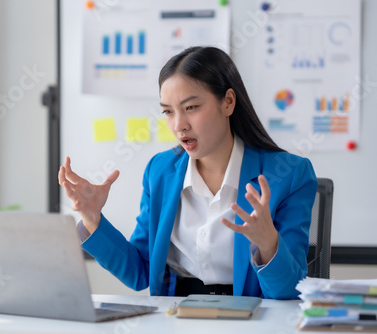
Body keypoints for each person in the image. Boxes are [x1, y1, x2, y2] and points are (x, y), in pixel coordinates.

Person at [58, 46, 317, 299]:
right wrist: (93, 220)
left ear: (227, 102)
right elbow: (140, 273)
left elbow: (289, 293)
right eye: (168, 112)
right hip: (175, 316)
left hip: (250, 320)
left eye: (191, 107)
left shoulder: (289, 174)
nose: (179, 125)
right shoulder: (160, 171)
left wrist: (269, 244)